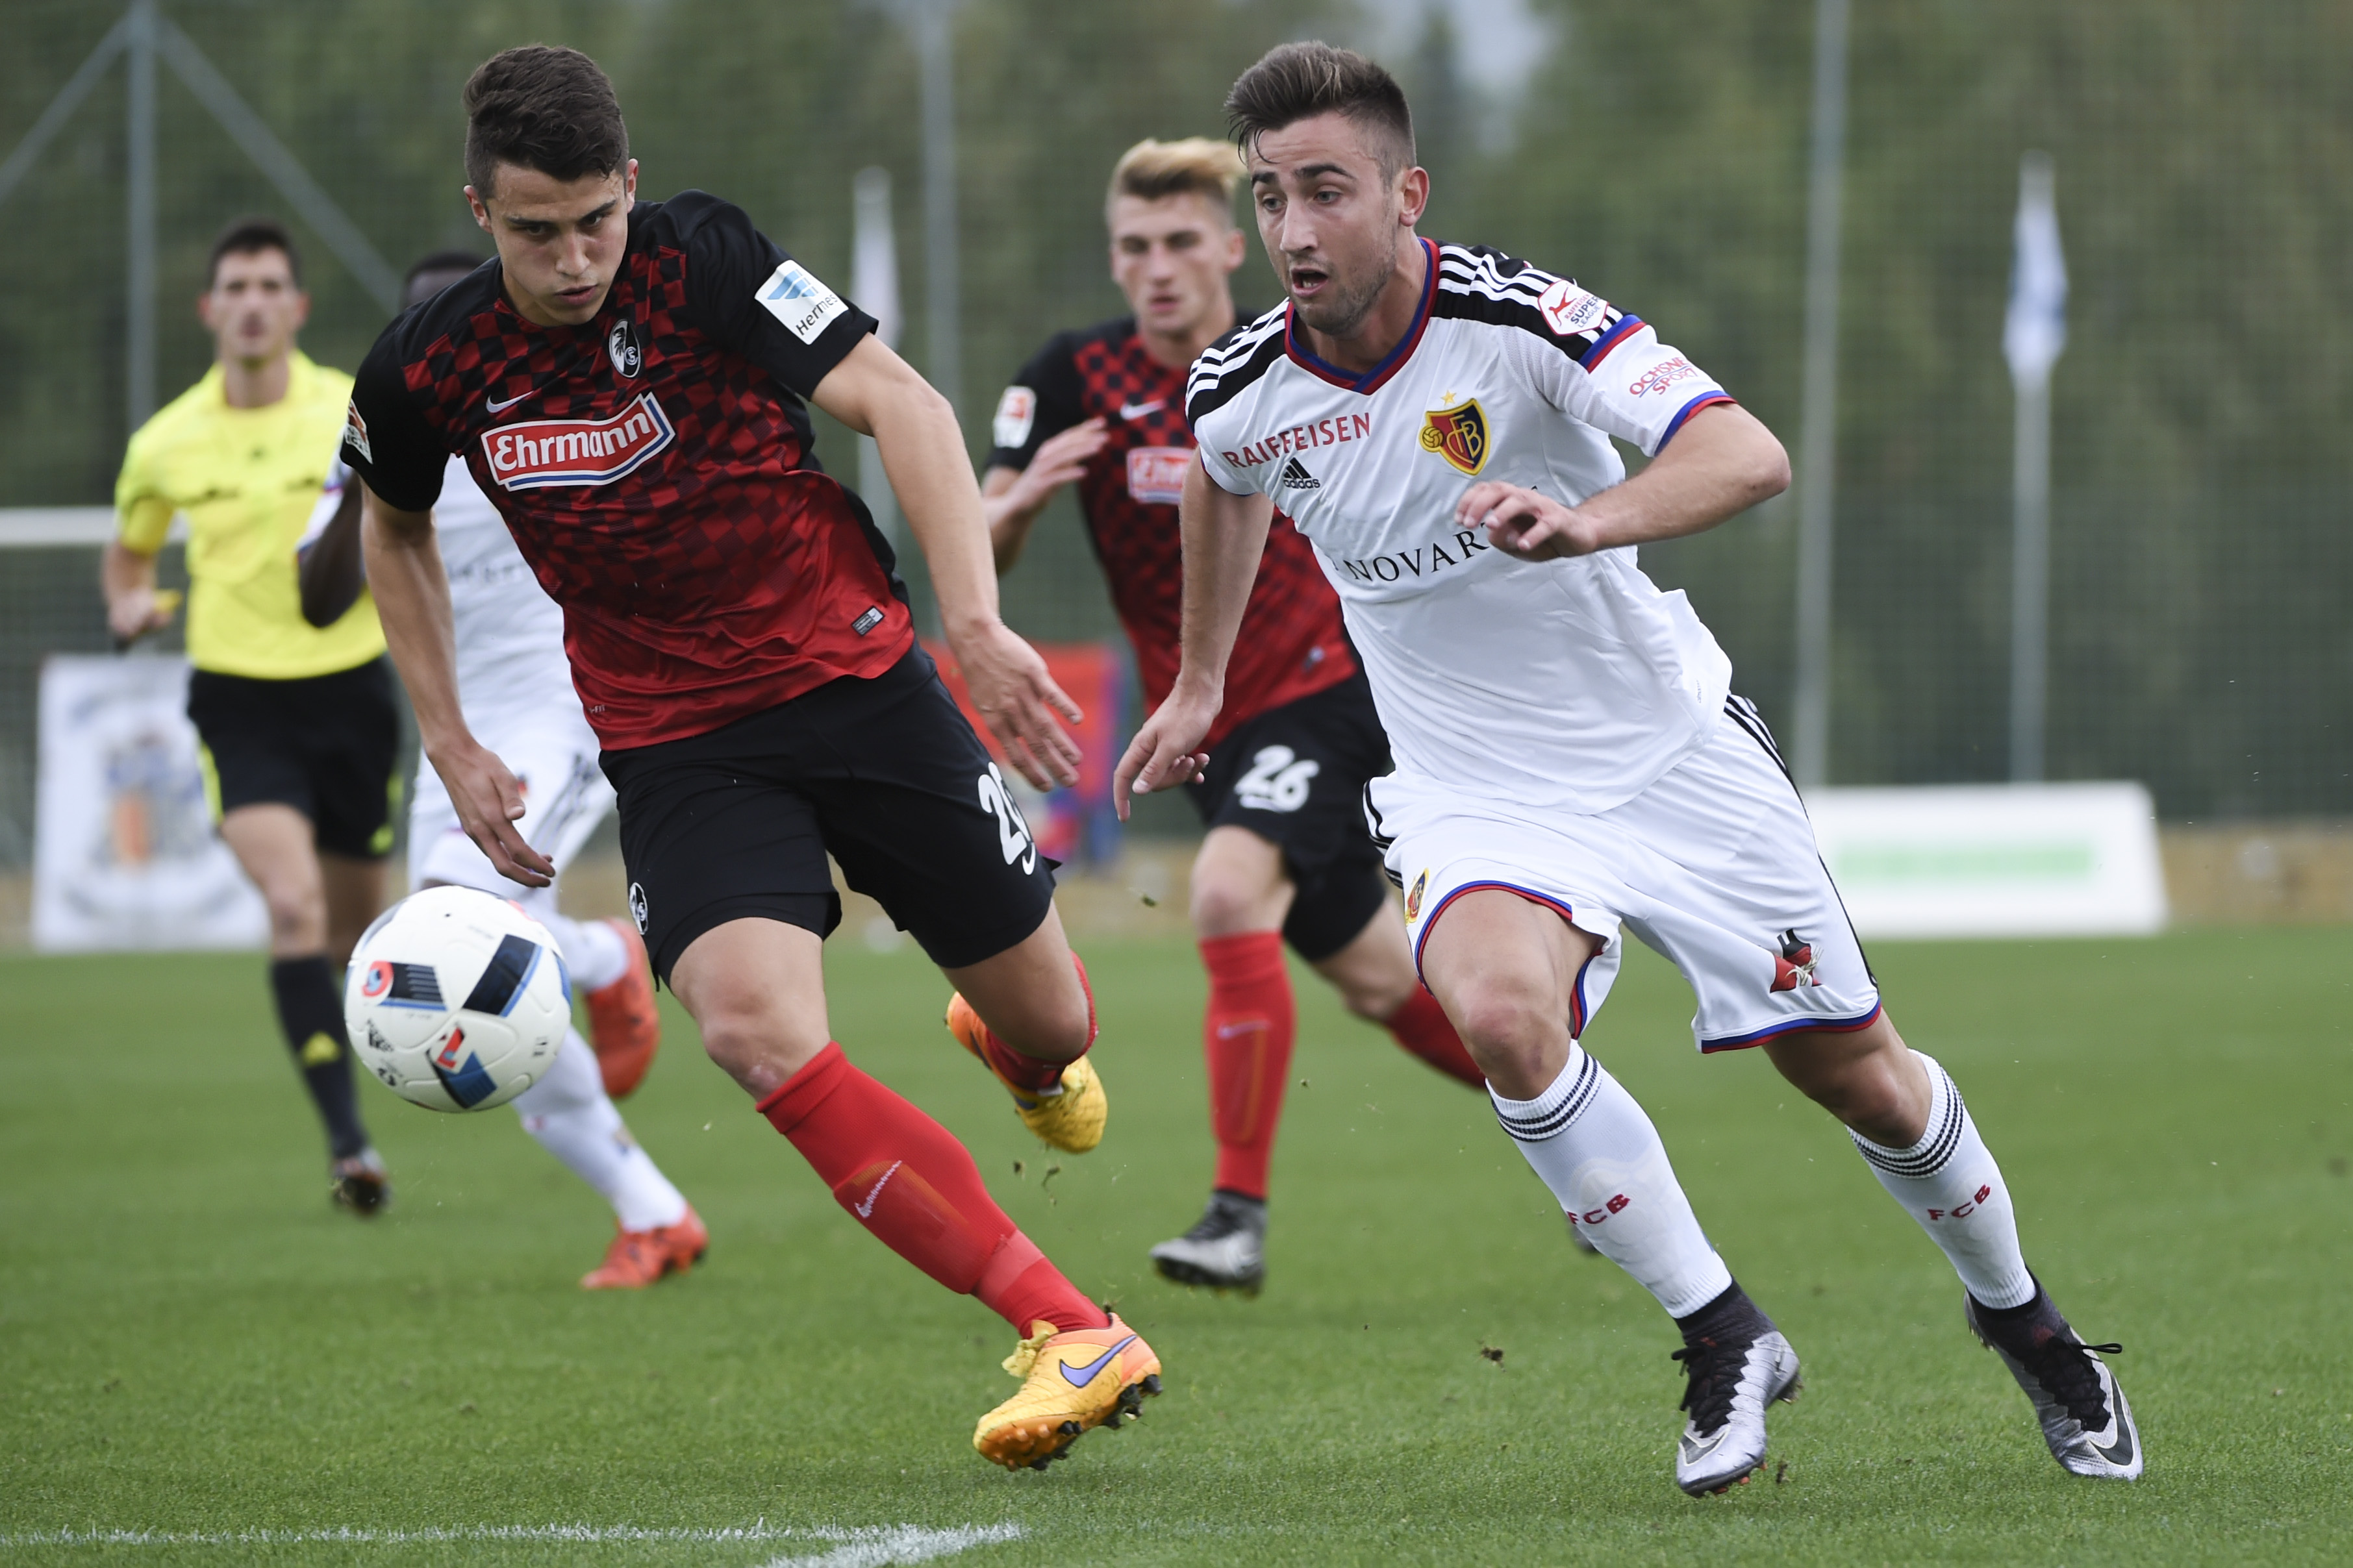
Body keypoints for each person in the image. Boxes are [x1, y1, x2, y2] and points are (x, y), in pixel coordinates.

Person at [1120, 42, 2140, 1495]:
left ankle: (2025, 1320)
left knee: (1860, 1078)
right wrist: (1202, 680)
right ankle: (1724, 1332)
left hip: (1669, 757)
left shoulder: (1521, 318)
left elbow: (1747, 452)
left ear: (1408, 195)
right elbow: (1222, 484)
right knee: (1497, 1012)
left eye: (1327, 191)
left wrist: (1589, 520)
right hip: (1476, 788)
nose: (1293, 229)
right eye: (1271, 196)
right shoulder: (1244, 385)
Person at [341, 46, 1159, 1469]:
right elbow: (392, 528)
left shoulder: (703, 258)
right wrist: (449, 736)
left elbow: (905, 404)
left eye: (596, 220)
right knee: (750, 1028)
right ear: (480, 211)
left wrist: (973, 625)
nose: (576, 259)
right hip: (678, 745)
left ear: (632, 186)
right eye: (537, 232)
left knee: (1057, 1023)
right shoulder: (429, 362)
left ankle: (1016, 1046)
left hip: (861, 686)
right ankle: (1067, 1324)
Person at [983, 137, 1485, 1295]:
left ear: (1226, 248)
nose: (1156, 268)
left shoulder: (1290, 356)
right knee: (1380, 980)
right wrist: (1019, 502)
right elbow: (981, 544)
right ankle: (1575, 1111)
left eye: (1179, 243)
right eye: (1134, 248)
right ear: (1115, 260)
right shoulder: (1070, 376)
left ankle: (1235, 1218)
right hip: (1206, 726)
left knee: (1222, 891)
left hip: (1326, 686)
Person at [296, 251, 699, 1288]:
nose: (448, 346)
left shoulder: (546, 405)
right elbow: (317, 598)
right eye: (422, 331)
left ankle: (605, 975)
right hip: (453, 737)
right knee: (491, 986)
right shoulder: (379, 433)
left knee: (456, 943)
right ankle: (652, 1201)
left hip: (562, 709)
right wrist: (363, 475)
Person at [106, 218, 396, 1215]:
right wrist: (128, 604)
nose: (254, 303)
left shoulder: (349, 409)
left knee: (355, 938)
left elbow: (408, 520)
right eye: (236, 287)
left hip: (352, 690)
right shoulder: (165, 442)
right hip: (239, 698)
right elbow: (129, 553)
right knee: (293, 908)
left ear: (298, 306)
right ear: (209, 309)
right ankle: (350, 1147)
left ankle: (407, 1065)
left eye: (271, 285)